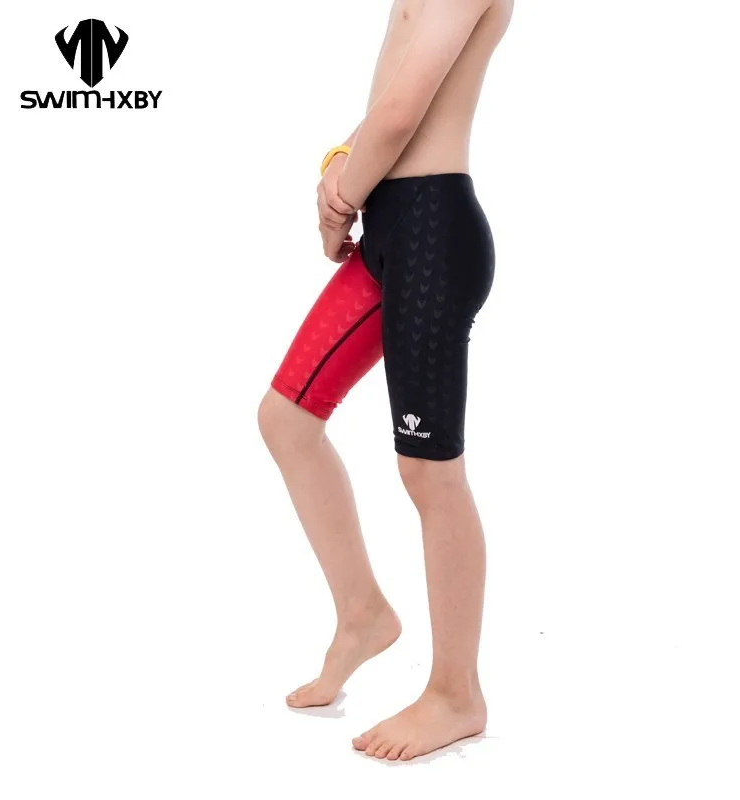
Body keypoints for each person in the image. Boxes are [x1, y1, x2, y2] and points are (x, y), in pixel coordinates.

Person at [258, 0, 513, 762]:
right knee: (286, 419)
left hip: (433, 235)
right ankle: (362, 613)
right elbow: (387, 104)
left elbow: (403, 114)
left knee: (431, 474)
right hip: (393, 231)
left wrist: (339, 199)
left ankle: (456, 693)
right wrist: (341, 162)